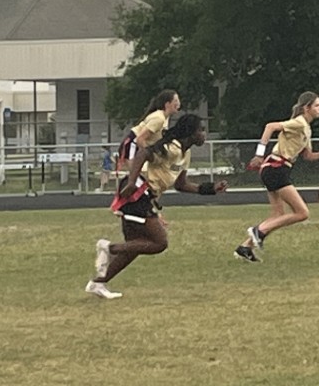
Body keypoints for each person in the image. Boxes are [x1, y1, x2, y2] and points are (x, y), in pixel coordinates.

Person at [86, 114, 223, 297]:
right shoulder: (171, 147)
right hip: (137, 192)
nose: (204, 134)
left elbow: (181, 184)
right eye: (201, 130)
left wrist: (210, 189)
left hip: (146, 195)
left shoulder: (185, 153)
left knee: (134, 247)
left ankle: (98, 284)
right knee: (159, 243)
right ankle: (109, 248)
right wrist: (132, 182)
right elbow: (143, 153)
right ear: (191, 132)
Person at [237, 92, 319, 261]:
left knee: (278, 215)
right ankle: (257, 232)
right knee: (302, 213)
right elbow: (270, 126)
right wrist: (259, 154)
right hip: (275, 168)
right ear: (307, 108)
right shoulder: (299, 122)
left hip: (277, 169)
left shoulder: (306, 128)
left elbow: (308, 156)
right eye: (317, 105)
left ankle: (245, 247)